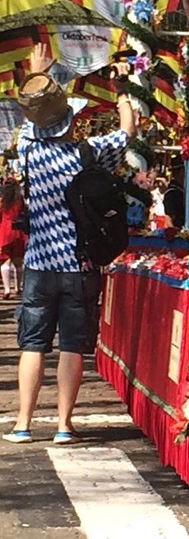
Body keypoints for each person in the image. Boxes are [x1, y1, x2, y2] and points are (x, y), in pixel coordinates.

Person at [2, 46, 136, 445]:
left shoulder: (30, 151)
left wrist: (38, 74)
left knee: (32, 344)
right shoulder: (87, 154)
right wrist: (122, 89)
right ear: (70, 121)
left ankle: (23, 423)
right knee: (72, 347)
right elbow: (128, 130)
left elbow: (32, 118)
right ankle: (64, 424)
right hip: (78, 265)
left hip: (39, 265)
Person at [0, 176, 26, 299]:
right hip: (18, 231)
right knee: (18, 262)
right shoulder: (20, 200)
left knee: (5, 262)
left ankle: (6, 289)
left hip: (4, 231)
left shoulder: (2, 200)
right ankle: (18, 288)